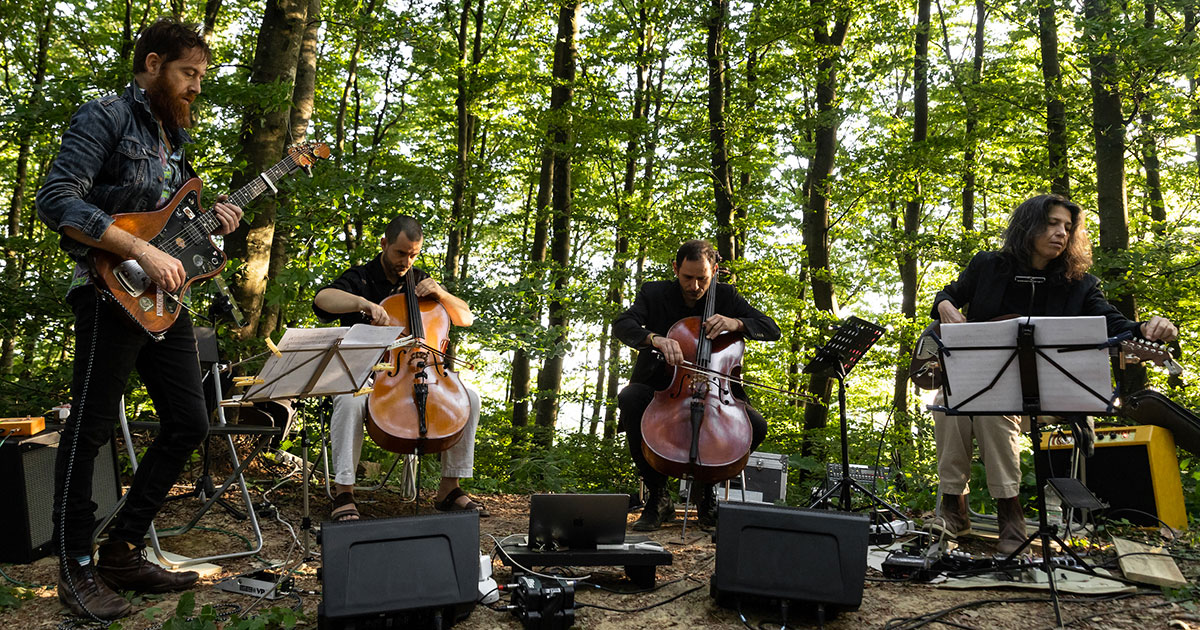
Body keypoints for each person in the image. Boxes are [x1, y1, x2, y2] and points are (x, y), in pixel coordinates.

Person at [35, 18, 244, 620]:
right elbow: (56, 199)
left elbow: (173, 228)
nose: (197, 87)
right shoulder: (103, 116)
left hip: (161, 300)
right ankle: (74, 569)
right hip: (107, 290)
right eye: (189, 73)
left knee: (188, 421)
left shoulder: (172, 140)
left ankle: (122, 550)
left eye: (202, 76)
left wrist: (211, 227)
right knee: (91, 428)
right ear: (153, 64)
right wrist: (139, 250)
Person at [930, 193, 1177, 554]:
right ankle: (955, 505)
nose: (1061, 232)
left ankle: (1004, 511)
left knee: (991, 409)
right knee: (946, 402)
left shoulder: (1081, 284)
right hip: (985, 387)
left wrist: (1150, 328)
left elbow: (1118, 325)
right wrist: (946, 306)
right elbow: (946, 294)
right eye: (1052, 223)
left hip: (1049, 396)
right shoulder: (987, 266)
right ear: (1028, 226)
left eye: (1067, 226)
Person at [312, 215, 488, 521]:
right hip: (368, 374)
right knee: (347, 400)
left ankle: (450, 488)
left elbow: (465, 318)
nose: (406, 261)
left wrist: (442, 294)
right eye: (400, 253)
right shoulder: (362, 277)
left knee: (469, 398)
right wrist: (361, 304)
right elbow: (322, 299)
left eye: (414, 254)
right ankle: (344, 492)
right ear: (384, 244)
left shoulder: (420, 281)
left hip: (419, 372)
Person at [612, 240, 781, 531]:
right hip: (663, 388)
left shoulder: (726, 296)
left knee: (757, 426)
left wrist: (736, 323)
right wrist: (655, 338)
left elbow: (771, 328)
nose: (694, 286)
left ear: (714, 271)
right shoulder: (654, 293)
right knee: (630, 398)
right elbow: (622, 324)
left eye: (702, 278)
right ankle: (658, 497)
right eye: (687, 277)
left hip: (717, 391)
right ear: (676, 269)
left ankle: (707, 491)